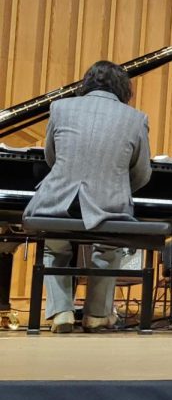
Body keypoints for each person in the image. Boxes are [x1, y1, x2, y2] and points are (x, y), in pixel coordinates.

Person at [23, 60, 152, 332]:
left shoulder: (60, 108)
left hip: (58, 200)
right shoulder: (135, 117)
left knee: (54, 247)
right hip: (108, 202)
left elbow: (51, 156)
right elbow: (142, 172)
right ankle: (97, 315)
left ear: (87, 82)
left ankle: (62, 313)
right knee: (107, 249)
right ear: (123, 88)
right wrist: (117, 186)